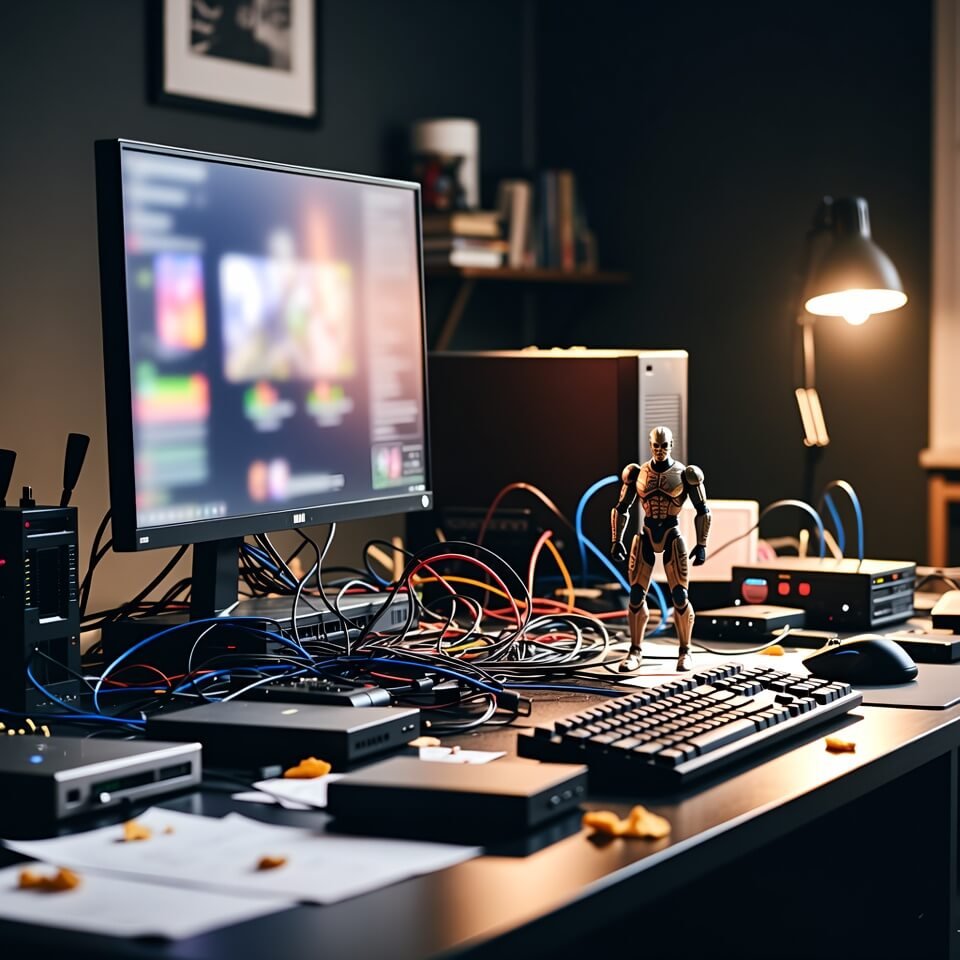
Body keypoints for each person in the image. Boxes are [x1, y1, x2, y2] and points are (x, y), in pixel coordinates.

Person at [610, 426, 711, 672]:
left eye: (664, 446)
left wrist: (701, 544)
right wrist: (616, 539)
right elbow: (621, 507)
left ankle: (685, 650)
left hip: (671, 535)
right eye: (656, 446)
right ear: (650, 445)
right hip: (645, 534)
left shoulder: (686, 474)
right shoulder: (637, 473)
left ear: (671, 445)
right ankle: (635, 650)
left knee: (680, 597)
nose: (660, 450)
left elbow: (703, 510)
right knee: (636, 595)